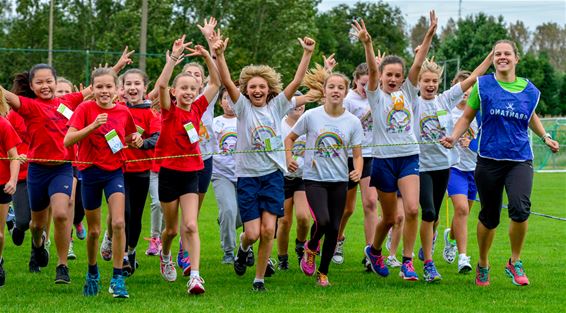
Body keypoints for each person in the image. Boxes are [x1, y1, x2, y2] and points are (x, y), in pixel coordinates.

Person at [440, 39, 559, 286]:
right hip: (489, 160)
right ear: (493, 59)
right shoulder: (483, 86)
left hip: (520, 159)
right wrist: (454, 136)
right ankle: (483, 264)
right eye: (497, 54)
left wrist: (545, 136)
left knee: (520, 208)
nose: (502, 57)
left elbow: (531, 117)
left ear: (516, 58)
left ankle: (514, 261)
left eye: (507, 53)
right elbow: (466, 116)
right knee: (490, 216)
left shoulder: (529, 90)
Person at [213, 31, 315, 291]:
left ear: (269, 89)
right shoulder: (243, 108)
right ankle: (242, 248)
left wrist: (307, 54)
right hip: (247, 178)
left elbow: (297, 80)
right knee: (253, 233)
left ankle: (258, 279)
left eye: (262, 86)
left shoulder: (278, 106)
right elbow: (225, 80)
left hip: (272, 176)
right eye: (252, 87)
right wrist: (220, 55)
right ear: (246, 89)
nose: (257, 90)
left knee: (269, 230)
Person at [353, 12, 436, 281]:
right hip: (383, 161)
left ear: (402, 79)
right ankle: (374, 250)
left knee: (412, 210)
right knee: (389, 218)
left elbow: (418, 63)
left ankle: (408, 261)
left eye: (397, 75)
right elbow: (373, 71)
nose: (393, 78)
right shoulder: (375, 96)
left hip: (409, 156)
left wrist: (429, 35)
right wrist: (367, 44)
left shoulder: (409, 92)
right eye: (389, 74)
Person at [414, 53, 492, 282]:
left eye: (433, 81)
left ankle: (433, 238)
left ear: (439, 83)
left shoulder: (445, 100)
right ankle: (428, 264)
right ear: (418, 82)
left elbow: (475, 77)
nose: (430, 85)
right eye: (425, 81)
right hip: (420, 167)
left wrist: (489, 56)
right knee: (427, 212)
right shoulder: (412, 100)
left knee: (435, 216)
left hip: (443, 166)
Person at [64, 67, 142, 298]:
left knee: (118, 223)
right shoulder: (85, 108)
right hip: (90, 173)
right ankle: (92, 272)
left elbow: (127, 136)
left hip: (115, 171)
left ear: (116, 89)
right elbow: (69, 139)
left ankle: (118, 278)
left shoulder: (123, 111)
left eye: (109, 86)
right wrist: (92, 126)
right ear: (93, 89)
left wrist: (136, 139)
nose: (104, 91)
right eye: (99, 87)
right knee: (95, 231)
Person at [154, 35, 220, 295]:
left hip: (192, 172)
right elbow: (160, 85)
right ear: (175, 92)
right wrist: (173, 58)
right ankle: (166, 254)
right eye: (184, 89)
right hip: (169, 173)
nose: (189, 93)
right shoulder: (169, 110)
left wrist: (207, 56)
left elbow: (216, 82)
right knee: (170, 229)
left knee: (190, 225)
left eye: (193, 89)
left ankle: (195, 276)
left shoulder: (198, 108)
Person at [286, 71, 363, 286]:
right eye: (332, 87)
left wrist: (357, 170)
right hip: (314, 178)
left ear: (346, 92)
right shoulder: (311, 116)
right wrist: (289, 158)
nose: (336, 91)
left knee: (334, 228)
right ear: (324, 91)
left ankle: (323, 272)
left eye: (340, 88)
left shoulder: (353, 121)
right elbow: (289, 138)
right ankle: (311, 246)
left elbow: (358, 155)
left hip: (340, 180)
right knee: (324, 220)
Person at [333, 63, 379, 267]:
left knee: (370, 203)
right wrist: (366, 114)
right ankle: (337, 240)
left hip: (370, 155)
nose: (366, 88)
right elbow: (344, 126)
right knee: (348, 208)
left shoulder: (376, 96)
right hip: (349, 156)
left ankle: (371, 252)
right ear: (356, 81)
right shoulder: (349, 100)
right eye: (363, 84)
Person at [119, 69, 161, 276]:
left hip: (141, 172)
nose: (133, 88)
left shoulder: (150, 113)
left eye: (137, 84)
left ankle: (131, 252)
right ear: (123, 88)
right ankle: (122, 255)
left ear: (145, 88)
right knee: (123, 214)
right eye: (128, 84)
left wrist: (143, 143)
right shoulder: (117, 109)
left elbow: (157, 138)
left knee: (134, 216)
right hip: (118, 171)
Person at [443, 70, 477, 274]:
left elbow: (484, 141)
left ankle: (451, 237)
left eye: (470, 90)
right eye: (463, 89)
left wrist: (472, 143)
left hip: (475, 169)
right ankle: (463, 257)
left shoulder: (479, 114)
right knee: (462, 209)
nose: (466, 93)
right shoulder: (450, 114)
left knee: (464, 213)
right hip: (454, 168)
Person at [55, 77, 87, 261]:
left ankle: (77, 221)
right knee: (70, 199)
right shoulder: (51, 111)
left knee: (80, 203)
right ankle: (69, 242)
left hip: (82, 161)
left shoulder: (78, 110)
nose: (63, 95)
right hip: (66, 164)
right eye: (60, 91)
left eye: (67, 92)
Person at [277, 100, 309, 270]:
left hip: (303, 177)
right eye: (295, 103)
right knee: (284, 221)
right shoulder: (279, 123)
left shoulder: (308, 121)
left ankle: (300, 244)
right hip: (283, 176)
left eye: (301, 103)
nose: (298, 106)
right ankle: (282, 257)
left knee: (304, 217)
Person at [211, 89, 241, 264]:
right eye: (225, 98)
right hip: (221, 174)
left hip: (245, 173)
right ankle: (229, 252)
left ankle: (224, 221)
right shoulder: (215, 123)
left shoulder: (245, 120)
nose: (229, 102)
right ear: (220, 102)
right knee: (229, 210)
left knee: (243, 215)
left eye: (233, 99)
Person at [0, 100, 21, 287]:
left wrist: (12, 180)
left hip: (1, 184)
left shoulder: (3, 124)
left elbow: (14, 157)